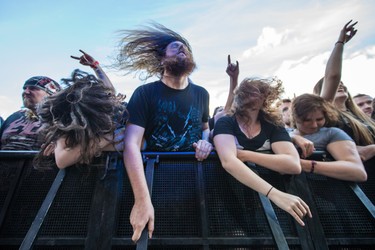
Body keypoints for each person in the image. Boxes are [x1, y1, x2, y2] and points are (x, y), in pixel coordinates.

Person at [115, 23, 213, 242]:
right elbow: (131, 144)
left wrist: (206, 143)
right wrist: (142, 199)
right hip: (152, 181)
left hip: (193, 182)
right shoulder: (145, 93)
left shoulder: (202, 94)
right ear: (162, 60)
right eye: (176, 47)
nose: (183, 50)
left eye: (186, 48)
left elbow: (205, 130)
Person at [213, 77, 312, 226]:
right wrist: (274, 194)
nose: (249, 97)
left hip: (275, 200)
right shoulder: (226, 122)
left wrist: (245, 155)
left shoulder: (272, 124)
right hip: (234, 198)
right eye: (245, 92)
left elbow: (293, 164)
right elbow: (229, 162)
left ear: (265, 97)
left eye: (256, 92)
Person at [35, 51, 126, 169]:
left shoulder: (113, 117)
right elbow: (62, 160)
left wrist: (96, 67)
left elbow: (108, 92)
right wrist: (114, 136)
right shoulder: (67, 126)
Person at [313, 20, 375, 163]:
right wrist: (340, 43)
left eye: (343, 84)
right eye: (336, 85)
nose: (340, 85)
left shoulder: (363, 117)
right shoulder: (328, 117)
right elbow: (333, 76)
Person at [290, 93, 367, 182]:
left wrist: (303, 164)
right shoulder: (286, 133)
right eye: (307, 120)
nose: (314, 125)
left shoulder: (332, 133)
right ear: (296, 118)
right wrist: (293, 138)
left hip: (324, 190)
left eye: (319, 119)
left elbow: (357, 172)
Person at [0, 76, 61, 150]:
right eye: (25, 88)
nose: (26, 92)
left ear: (51, 93)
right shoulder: (15, 117)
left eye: (33, 88)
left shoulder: (63, 119)